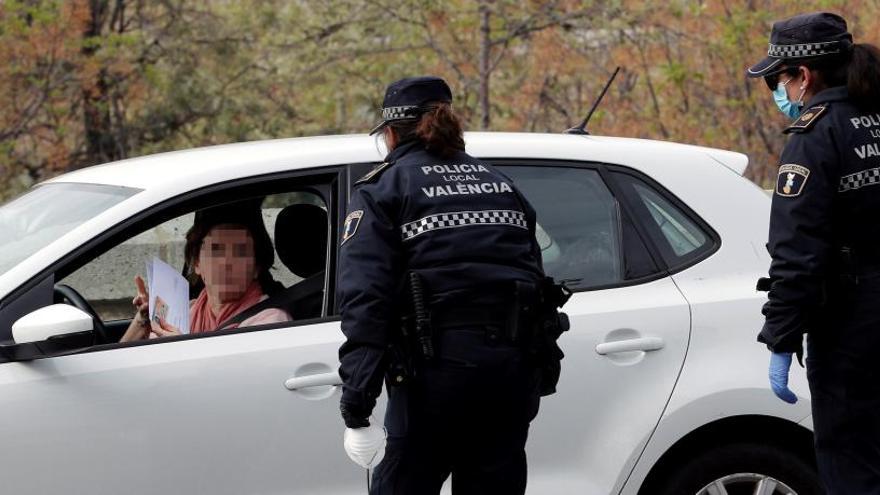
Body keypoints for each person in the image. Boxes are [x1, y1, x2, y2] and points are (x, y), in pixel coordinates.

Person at [336, 76, 568, 495]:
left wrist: (357, 403)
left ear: (390, 134)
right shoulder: (501, 184)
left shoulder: (384, 188)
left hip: (435, 379)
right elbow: (534, 279)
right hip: (511, 378)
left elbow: (367, 300)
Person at [747, 12, 880, 494]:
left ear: (803, 76)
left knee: (851, 458)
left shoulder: (815, 138)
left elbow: (797, 254)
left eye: (778, 81)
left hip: (852, 323)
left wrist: (781, 335)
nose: (779, 94)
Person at [120, 200, 290, 341]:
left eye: (240, 252)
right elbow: (120, 365)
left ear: (256, 268)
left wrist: (181, 349)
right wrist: (143, 319)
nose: (226, 262)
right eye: (216, 250)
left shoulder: (270, 321)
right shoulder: (185, 311)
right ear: (197, 264)